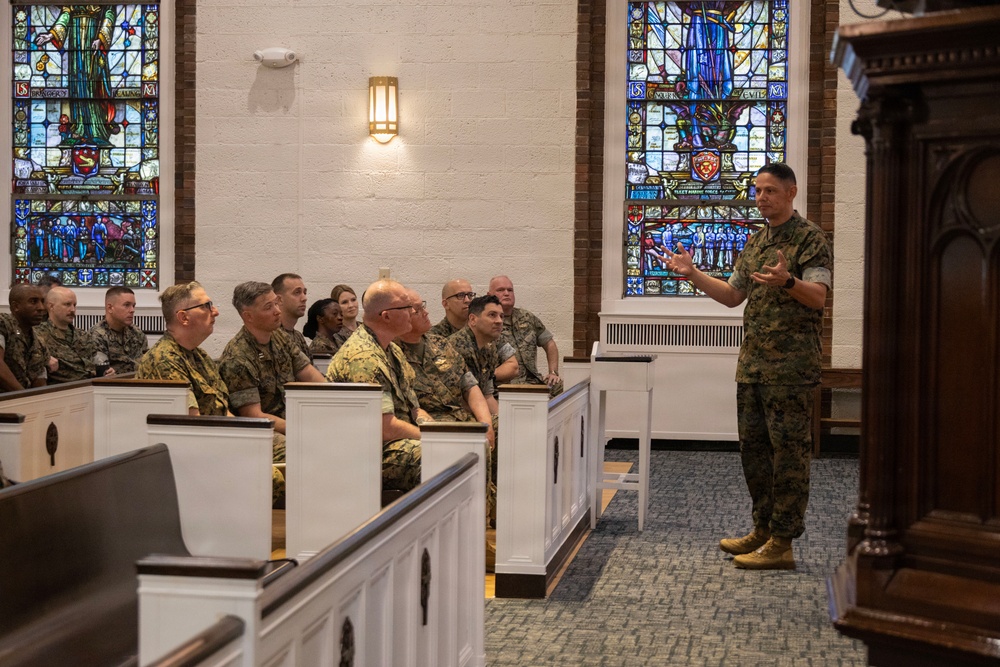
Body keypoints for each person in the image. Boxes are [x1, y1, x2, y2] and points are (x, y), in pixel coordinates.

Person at [653, 163, 832, 570]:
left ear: (792, 192)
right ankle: (763, 528)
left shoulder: (810, 239)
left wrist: (788, 282)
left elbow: (819, 297)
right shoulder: (755, 242)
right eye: (757, 191)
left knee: (789, 456)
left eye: (770, 190)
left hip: (791, 369)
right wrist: (693, 273)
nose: (761, 197)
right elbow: (734, 296)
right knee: (754, 452)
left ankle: (783, 541)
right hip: (753, 366)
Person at [137, 281, 285, 504]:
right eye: (206, 306)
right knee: (271, 477)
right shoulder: (164, 360)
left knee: (300, 455)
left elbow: (223, 412)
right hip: (194, 457)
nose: (215, 312)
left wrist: (250, 440)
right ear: (183, 317)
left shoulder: (200, 356)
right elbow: (194, 428)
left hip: (220, 441)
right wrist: (245, 450)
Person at [326, 280, 431, 492]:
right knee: (443, 454)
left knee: (465, 446)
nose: (412, 312)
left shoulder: (391, 349)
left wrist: (426, 421)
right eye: (406, 307)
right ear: (387, 316)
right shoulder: (363, 358)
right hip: (366, 452)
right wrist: (434, 437)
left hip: (392, 443)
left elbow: (412, 406)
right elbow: (385, 428)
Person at [219, 281, 325, 437]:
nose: (277, 311)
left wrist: (334, 402)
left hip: (293, 418)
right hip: (265, 431)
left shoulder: (279, 336)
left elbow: (308, 374)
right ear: (249, 316)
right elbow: (253, 415)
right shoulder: (237, 357)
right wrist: (301, 429)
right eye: (268, 307)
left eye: (276, 303)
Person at [34, 6, 119, 146]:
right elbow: (66, 13)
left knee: (92, 84)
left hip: (93, 39)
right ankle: (79, 127)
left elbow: (109, 12)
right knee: (77, 84)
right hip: (76, 43)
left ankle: (96, 129)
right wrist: (50, 35)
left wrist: (100, 39)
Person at [488, 275, 564, 396]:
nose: (506, 293)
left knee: (559, 386)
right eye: (501, 290)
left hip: (533, 382)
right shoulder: (487, 322)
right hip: (505, 386)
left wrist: (553, 372)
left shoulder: (527, 317)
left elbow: (549, 343)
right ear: (489, 295)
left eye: (510, 290)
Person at [448, 295, 518, 416]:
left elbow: (487, 395)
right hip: (453, 414)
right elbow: (463, 401)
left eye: (501, 316)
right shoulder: (458, 348)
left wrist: (504, 420)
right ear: (473, 319)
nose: (499, 321)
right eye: (492, 315)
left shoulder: (488, 349)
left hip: (477, 410)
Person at [34, 286, 95, 383]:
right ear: (51, 306)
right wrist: (45, 359)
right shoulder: (38, 334)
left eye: (74, 305)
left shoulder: (82, 335)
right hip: (62, 390)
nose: (72, 310)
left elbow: (95, 361)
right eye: (67, 304)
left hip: (89, 386)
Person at [89, 286, 149, 375]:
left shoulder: (136, 332)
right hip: (115, 386)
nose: (132, 310)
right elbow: (102, 373)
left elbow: (147, 361)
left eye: (133, 305)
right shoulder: (97, 335)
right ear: (110, 308)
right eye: (126, 305)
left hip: (139, 383)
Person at [0, 284, 48, 391]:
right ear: (16, 306)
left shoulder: (39, 342)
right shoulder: (3, 323)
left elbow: (39, 379)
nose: (41, 308)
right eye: (33, 301)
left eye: (42, 301)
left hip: (23, 402)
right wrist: (23, 396)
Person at [272, 273, 312, 361]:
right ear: (279, 300)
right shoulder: (271, 336)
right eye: (297, 292)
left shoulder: (298, 336)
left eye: (304, 292)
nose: (304, 298)